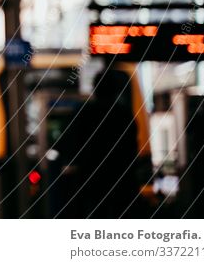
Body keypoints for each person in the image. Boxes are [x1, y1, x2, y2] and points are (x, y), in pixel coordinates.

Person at [53, 66, 140, 218]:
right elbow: (132, 149)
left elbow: (67, 143)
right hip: (121, 183)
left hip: (91, 182)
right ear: (116, 89)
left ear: (95, 88)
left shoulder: (83, 113)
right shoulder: (124, 115)